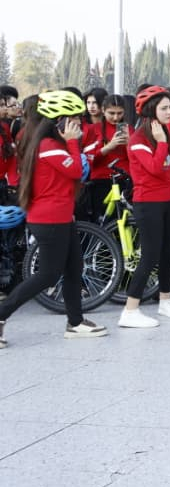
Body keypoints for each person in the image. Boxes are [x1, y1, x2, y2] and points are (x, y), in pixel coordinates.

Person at [0, 91, 107, 347]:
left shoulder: (53, 145)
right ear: (59, 121)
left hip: (62, 216)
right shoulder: (48, 146)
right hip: (49, 219)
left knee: (74, 268)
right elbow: (77, 171)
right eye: (73, 118)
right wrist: (73, 143)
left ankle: (75, 322)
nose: (78, 123)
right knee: (48, 275)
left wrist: (70, 143)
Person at [120, 86, 170, 328]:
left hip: (167, 201)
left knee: (169, 253)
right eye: (164, 108)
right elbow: (156, 168)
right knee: (150, 256)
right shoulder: (138, 139)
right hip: (148, 203)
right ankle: (130, 310)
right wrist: (161, 143)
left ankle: (165, 300)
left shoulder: (164, 134)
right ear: (150, 110)